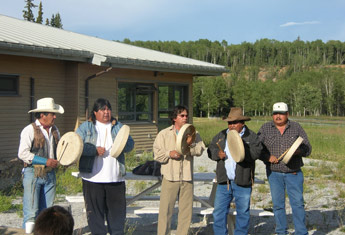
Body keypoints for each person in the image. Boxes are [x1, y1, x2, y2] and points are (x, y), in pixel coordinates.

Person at [76, 98, 134, 235]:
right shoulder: (86, 127)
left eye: (108, 109)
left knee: (117, 217)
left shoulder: (119, 126)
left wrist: (121, 145)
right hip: (92, 178)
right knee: (95, 217)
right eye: (103, 109)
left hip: (115, 178)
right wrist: (93, 151)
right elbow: (76, 147)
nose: (106, 112)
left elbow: (131, 145)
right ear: (95, 112)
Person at [257, 102, 312, 235]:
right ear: (272, 115)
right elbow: (257, 148)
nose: (278, 116)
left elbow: (307, 148)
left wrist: (297, 151)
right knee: (277, 205)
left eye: (281, 114)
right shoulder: (265, 128)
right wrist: (267, 157)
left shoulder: (296, 127)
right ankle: (281, 231)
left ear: (287, 114)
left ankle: (301, 232)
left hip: (293, 172)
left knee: (298, 204)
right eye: (275, 113)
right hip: (274, 173)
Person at [207, 107, 263, 235]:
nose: (231, 125)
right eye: (229, 123)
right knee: (219, 212)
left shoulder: (251, 136)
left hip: (242, 181)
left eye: (234, 122)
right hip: (224, 181)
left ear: (242, 123)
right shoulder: (221, 135)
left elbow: (257, 153)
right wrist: (217, 154)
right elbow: (210, 150)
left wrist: (242, 151)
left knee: (242, 213)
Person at [153, 105, 206, 235]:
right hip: (170, 177)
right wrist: (168, 154)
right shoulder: (164, 134)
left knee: (186, 212)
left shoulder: (193, 133)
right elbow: (157, 154)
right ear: (174, 118)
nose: (185, 118)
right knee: (166, 211)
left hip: (186, 177)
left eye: (186, 115)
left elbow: (200, 150)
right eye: (182, 115)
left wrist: (190, 144)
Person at [18, 97, 64, 227]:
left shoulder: (55, 130)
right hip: (33, 173)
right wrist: (45, 161)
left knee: (47, 212)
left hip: (50, 174)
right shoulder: (29, 130)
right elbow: (22, 153)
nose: (54, 117)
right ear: (42, 115)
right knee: (31, 213)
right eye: (52, 114)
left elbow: (60, 149)